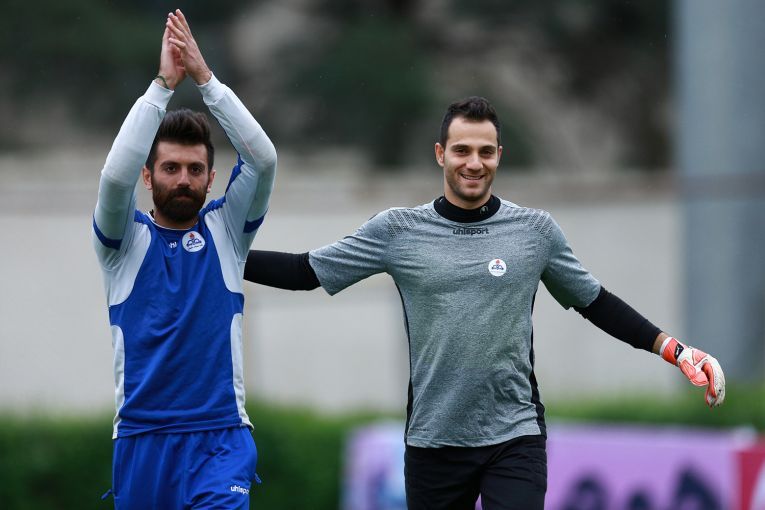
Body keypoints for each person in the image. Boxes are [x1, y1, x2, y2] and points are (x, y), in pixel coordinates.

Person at [242, 96, 725, 509]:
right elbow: (305, 271)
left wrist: (675, 350)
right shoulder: (397, 231)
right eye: (462, 150)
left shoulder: (535, 232)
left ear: (499, 156)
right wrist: (220, 256)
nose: (474, 163)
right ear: (440, 154)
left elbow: (595, 302)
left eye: (485, 152)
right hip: (433, 440)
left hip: (514, 436)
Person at [92, 9, 276, 509]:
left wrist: (205, 80)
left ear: (211, 180)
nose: (183, 179)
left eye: (196, 169)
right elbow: (113, 178)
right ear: (148, 177)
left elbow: (262, 159)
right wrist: (161, 88)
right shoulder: (121, 244)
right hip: (142, 440)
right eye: (170, 167)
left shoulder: (227, 232)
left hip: (221, 438)